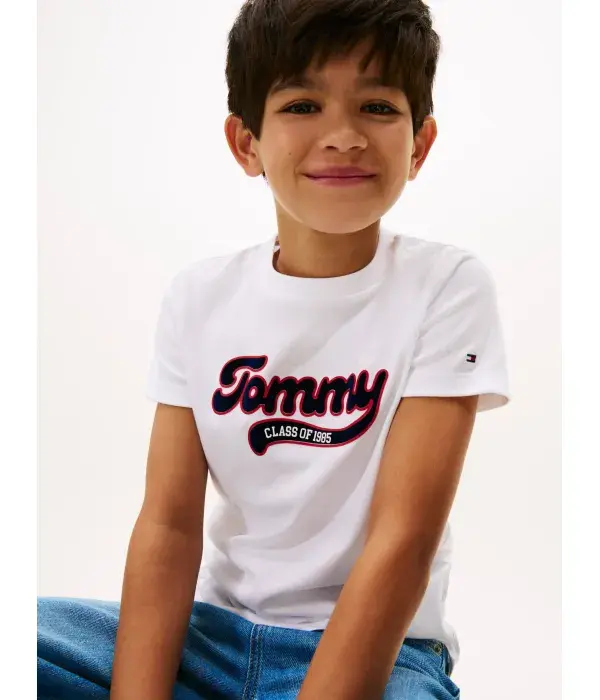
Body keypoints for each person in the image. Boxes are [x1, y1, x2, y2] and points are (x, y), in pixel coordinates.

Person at [38, 0, 510, 698]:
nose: (343, 137)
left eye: (378, 107)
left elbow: (403, 540)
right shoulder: (199, 298)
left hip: (382, 654)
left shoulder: (447, 286)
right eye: (302, 106)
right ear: (245, 142)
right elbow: (168, 527)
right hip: (215, 639)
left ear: (420, 144)